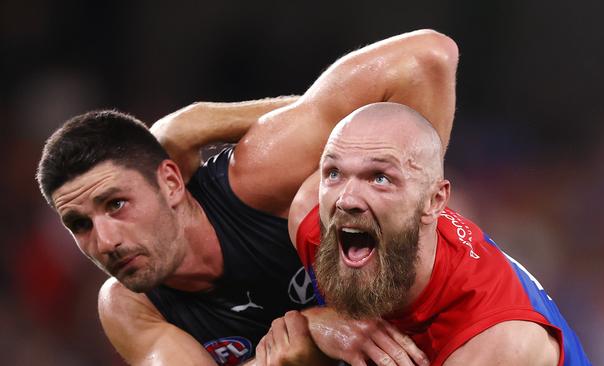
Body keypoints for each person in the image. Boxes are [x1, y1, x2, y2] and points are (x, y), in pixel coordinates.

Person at [36, 29, 458, 365]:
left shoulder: (259, 176)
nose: (105, 241)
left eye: (116, 204)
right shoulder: (129, 307)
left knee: (320, 195)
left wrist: (202, 119)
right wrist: (296, 348)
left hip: (454, 337)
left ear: (169, 182)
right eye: (80, 224)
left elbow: (425, 58)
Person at [253, 102, 591, 365]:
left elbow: (432, 55)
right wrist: (318, 326)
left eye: (380, 178)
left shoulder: (496, 344)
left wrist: (306, 344)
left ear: (434, 201)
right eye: (334, 173)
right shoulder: (313, 219)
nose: (347, 200)